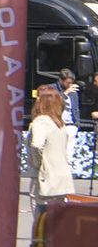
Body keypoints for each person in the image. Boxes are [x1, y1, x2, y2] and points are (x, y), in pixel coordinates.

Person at [28, 84, 74, 217]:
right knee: (57, 221)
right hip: (62, 177)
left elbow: (36, 145)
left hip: (46, 177)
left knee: (41, 221)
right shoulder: (60, 124)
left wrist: (38, 164)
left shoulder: (41, 121)